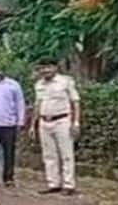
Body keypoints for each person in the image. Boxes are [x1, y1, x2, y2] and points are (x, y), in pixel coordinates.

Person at [30, 58, 81, 195]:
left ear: (55, 67)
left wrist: (76, 122)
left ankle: (69, 185)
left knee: (66, 154)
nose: (46, 70)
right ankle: (53, 183)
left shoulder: (66, 82)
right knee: (49, 155)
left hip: (62, 121)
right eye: (43, 67)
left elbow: (75, 102)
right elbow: (37, 104)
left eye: (49, 67)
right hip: (44, 122)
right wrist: (32, 125)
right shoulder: (39, 84)